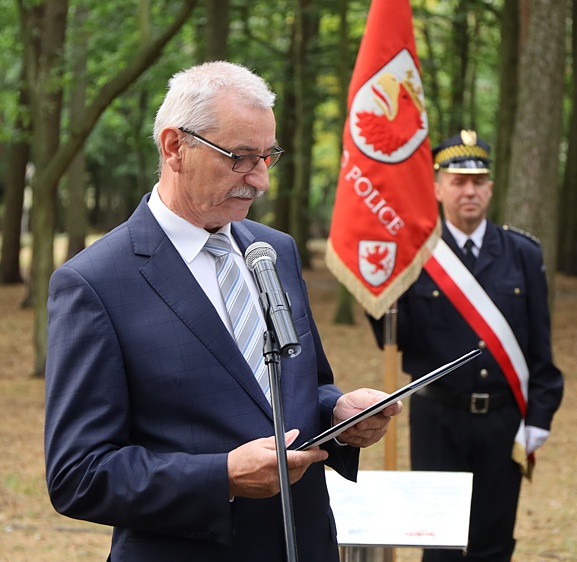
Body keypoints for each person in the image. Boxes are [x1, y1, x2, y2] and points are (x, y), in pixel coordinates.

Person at [44, 61, 401, 562]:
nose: (260, 181)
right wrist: (222, 478)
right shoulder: (94, 283)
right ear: (174, 147)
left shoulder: (275, 250)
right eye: (240, 158)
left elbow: (301, 386)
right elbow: (78, 475)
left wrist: (338, 414)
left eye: (268, 157)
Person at [370, 130, 564, 561]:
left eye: (478, 181)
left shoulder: (523, 253)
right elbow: (397, 340)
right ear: (438, 188)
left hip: (503, 418)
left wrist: (540, 417)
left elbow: (540, 348)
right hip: (438, 419)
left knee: (493, 543)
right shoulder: (416, 255)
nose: (469, 191)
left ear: (490, 188)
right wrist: (377, 295)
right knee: (438, 545)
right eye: (458, 181)